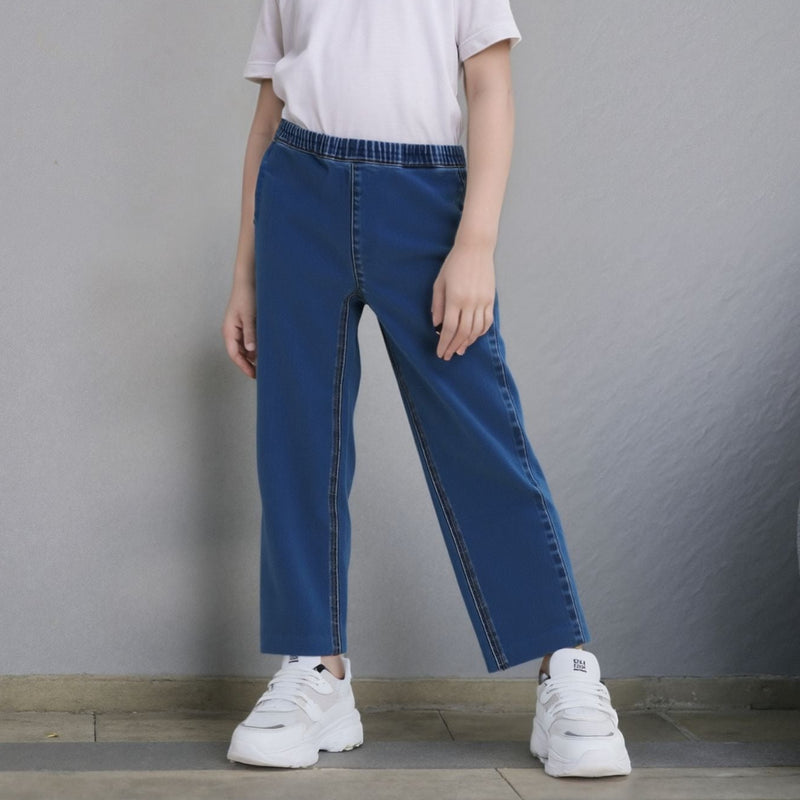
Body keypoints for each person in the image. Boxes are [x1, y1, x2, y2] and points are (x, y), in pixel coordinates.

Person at [221, 0, 631, 779]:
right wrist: (244, 271)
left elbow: (491, 87)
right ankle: (316, 664)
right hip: (297, 192)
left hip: (426, 195)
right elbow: (268, 113)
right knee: (298, 439)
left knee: (479, 436)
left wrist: (476, 240)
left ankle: (565, 665)